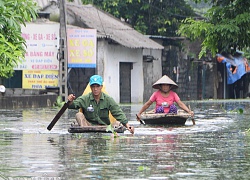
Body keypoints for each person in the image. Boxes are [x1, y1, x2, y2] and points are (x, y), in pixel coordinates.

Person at [67, 75, 134, 134]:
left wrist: (128, 126)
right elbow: (73, 105)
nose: (95, 89)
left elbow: (118, 113)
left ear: (101, 87)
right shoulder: (85, 98)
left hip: (105, 127)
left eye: (97, 86)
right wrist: (70, 101)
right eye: (93, 86)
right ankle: (85, 134)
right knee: (79, 115)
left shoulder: (108, 99)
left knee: (117, 123)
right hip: (88, 126)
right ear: (90, 87)